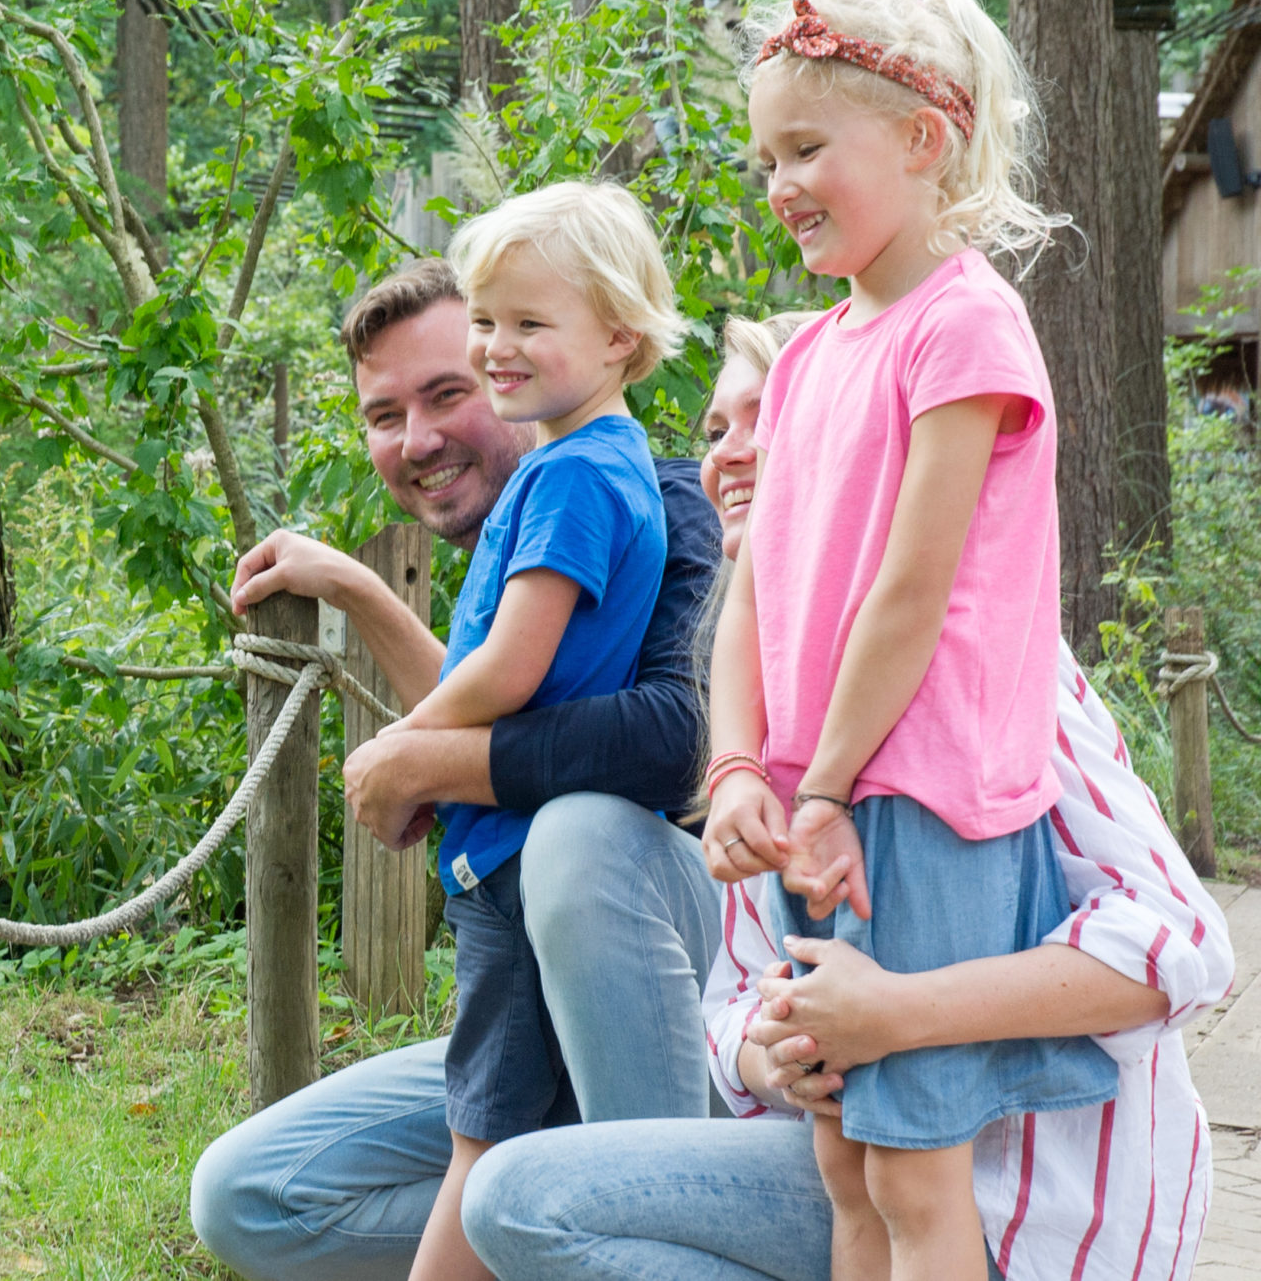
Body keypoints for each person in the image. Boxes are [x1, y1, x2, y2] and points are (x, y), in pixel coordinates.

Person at [456, 314, 1234, 1279]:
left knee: (527, 1199)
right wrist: (776, 1049)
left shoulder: (989, 660)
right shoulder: (759, 705)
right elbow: (733, 999)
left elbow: (1182, 944)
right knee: (513, 1192)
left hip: (1027, 1218)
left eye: (762, 421)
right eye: (713, 431)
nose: (730, 455)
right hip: (846, 1175)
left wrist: (897, 1010)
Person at [701, 0, 1118, 1278]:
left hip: (919, 800)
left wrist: (821, 782)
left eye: (808, 146)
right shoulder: (814, 350)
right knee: (842, 1161)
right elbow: (759, 581)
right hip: (822, 800)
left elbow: (912, 588)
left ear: (923, 141)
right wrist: (733, 768)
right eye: (767, 154)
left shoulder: (966, 326)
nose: (779, 181)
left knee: (917, 1173)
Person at [194, 252, 724, 1277]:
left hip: (664, 1002)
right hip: (526, 994)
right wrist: (360, 594)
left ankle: (662, 1210)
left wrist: (413, 761)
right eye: (383, 414)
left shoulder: (652, 498)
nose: (417, 439)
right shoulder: (508, 550)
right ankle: (556, 1225)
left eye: (448, 392)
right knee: (246, 1196)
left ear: (520, 363)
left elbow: (669, 744)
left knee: (575, 833)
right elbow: (498, 701)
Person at [391, 181, 677, 1279]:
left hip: (516, 856)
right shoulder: (596, 460)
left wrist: (405, 745)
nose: (493, 348)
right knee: (501, 1120)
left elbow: (511, 666)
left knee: (484, 1132)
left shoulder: (571, 476)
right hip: (513, 850)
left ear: (616, 337)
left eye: (527, 323)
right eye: (484, 320)